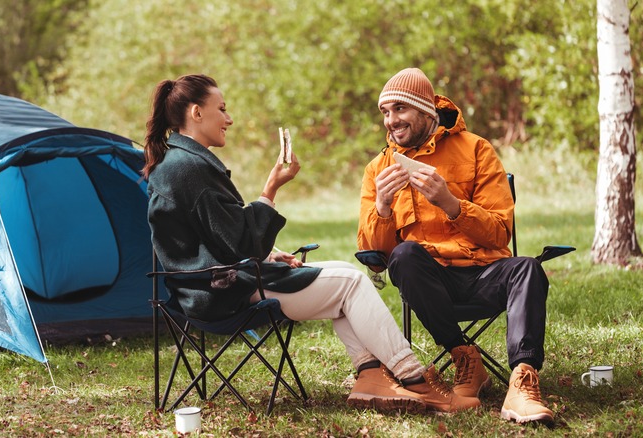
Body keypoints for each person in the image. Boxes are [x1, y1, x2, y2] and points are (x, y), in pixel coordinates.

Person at [143, 73, 480, 414]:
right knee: (351, 283)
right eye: (222, 109)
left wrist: (270, 255)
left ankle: (370, 375)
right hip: (223, 293)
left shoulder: (179, 162)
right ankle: (415, 380)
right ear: (196, 113)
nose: (229, 119)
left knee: (345, 276)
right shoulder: (189, 168)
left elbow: (214, 238)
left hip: (209, 285)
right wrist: (269, 190)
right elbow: (242, 242)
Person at [357, 67, 555, 424]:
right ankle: (464, 357)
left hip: (485, 274)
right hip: (432, 284)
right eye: (385, 112)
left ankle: (523, 383)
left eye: (399, 109)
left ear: (426, 111)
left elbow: (499, 232)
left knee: (528, 267)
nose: (390, 120)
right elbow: (377, 261)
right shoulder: (379, 169)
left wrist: (451, 204)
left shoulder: (477, 149)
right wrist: (383, 209)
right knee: (404, 255)